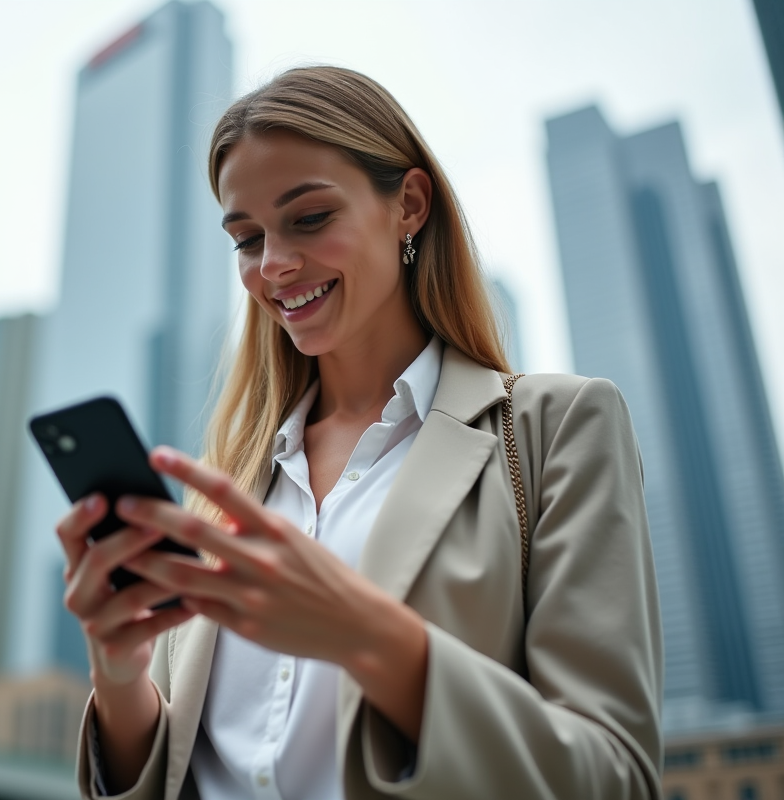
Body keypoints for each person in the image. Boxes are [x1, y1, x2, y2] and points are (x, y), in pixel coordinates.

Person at [55, 66, 663, 800]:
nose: (273, 265)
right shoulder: (229, 489)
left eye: (308, 218)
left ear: (408, 204)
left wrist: (370, 638)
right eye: (246, 238)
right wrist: (121, 678)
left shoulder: (557, 430)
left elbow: (616, 779)